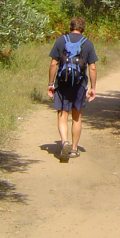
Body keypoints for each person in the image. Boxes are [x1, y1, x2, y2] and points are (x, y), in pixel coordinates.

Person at [47, 16, 98, 158]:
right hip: (79, 84)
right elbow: (92, 68)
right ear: (83, 28)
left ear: (71, 27)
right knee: (76, 116)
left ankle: (64, 142)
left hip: (62, 83)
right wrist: (93, 87)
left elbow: (53, 64)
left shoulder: (61, 40)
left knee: (62, 115)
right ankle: (74, 149)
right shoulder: (88, 44)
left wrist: (50, 84)